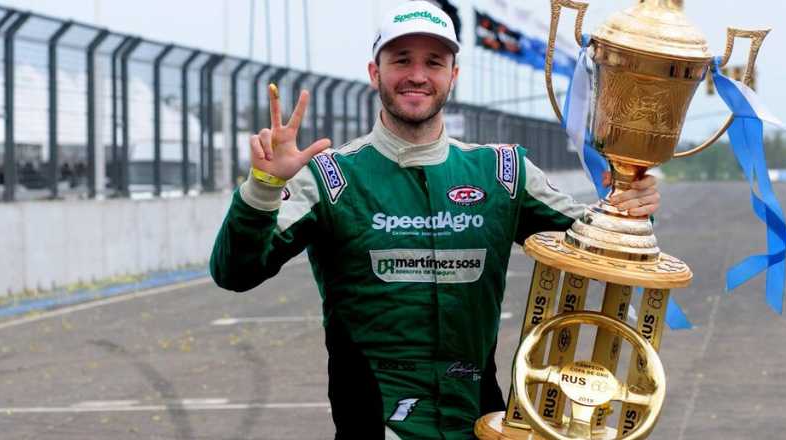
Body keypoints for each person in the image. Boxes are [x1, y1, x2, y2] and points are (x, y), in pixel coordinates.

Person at [209, 2, 659, 438]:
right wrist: (263, 186)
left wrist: (629, 203)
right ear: (375, 73)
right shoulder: (330, 178)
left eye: (434, 62)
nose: (418, 75)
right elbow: (236, 272)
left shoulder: (503, 173)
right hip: (375, 425)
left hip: (481, 423)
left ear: (453, 76)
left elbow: (602, 246)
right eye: (401, 59)